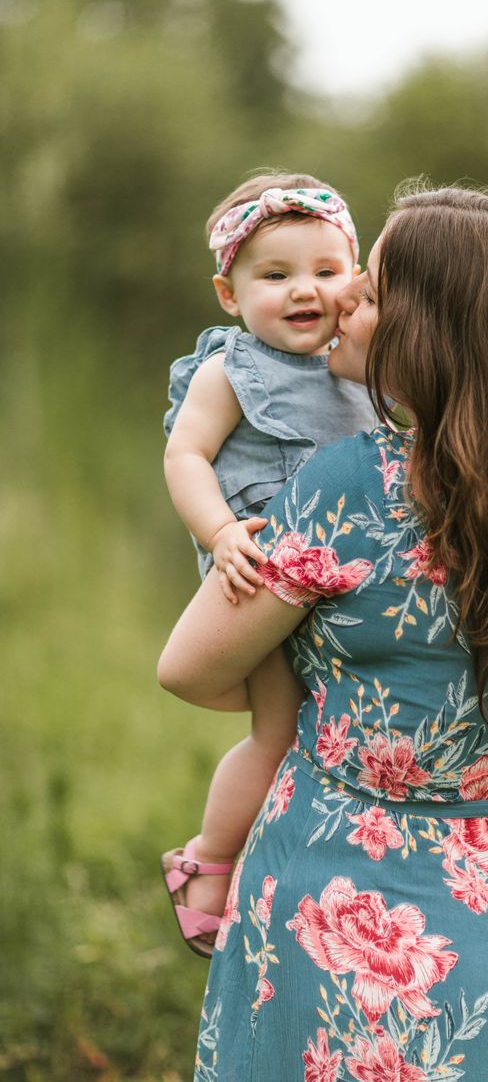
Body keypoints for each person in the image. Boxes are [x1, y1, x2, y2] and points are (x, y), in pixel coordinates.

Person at [158, 185, 488, 1079]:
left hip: (349, 926)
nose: (345, 299)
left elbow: (191, 670)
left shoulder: (350, 484)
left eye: (373, 290)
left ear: (432, 330)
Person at [160, 171, 377, 955]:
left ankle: (298, 868)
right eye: (275, 275)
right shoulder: (233, 370)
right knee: (277, 730)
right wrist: (220, 533)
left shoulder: (364, 366)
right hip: (261, 572)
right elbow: (186, 455)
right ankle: (209, 862)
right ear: (229, 293)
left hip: (349, 582)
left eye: (326, 270)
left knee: (341, 735)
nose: (304, 291)